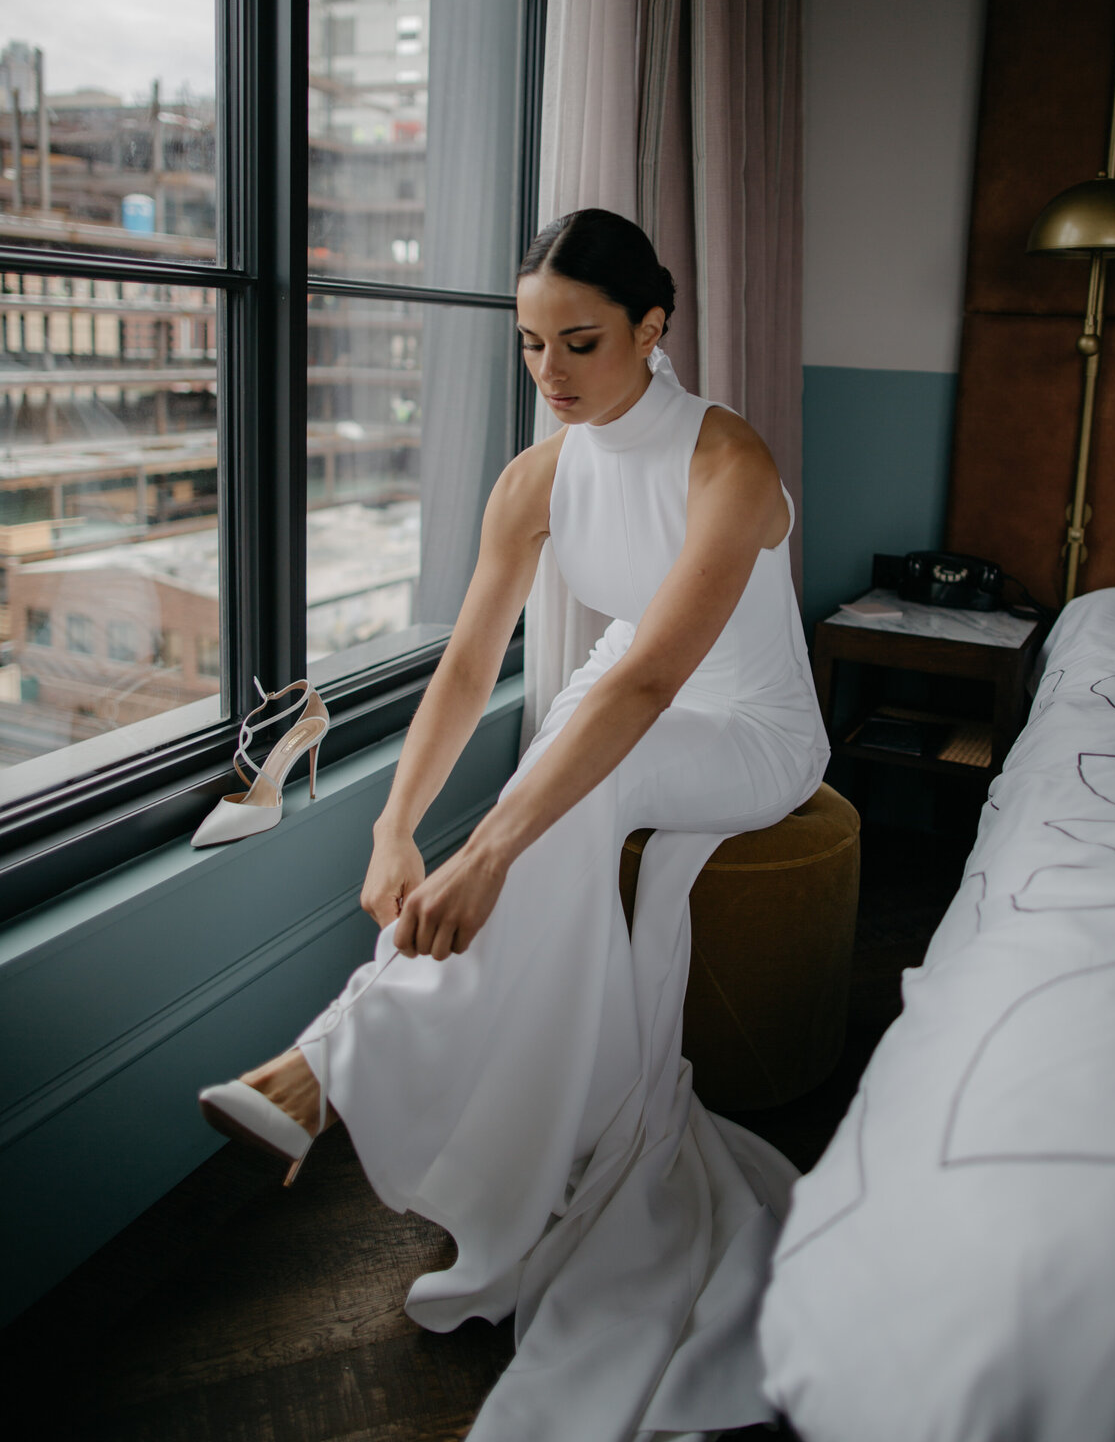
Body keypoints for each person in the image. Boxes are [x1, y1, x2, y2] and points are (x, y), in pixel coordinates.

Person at [199, 208, 829, 1441]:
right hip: (629, 706)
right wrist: (395, 827)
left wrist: (488, 848)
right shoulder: (536, 478)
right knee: (558, 794)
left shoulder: (727, 462)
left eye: (579, 343)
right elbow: (467, 663)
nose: (548, 374)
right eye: (529, 344)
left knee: (552, 804)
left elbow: (653, 680)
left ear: (654, 330)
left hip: (747, 727)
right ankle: (355, 1073)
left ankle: (326, 1065)